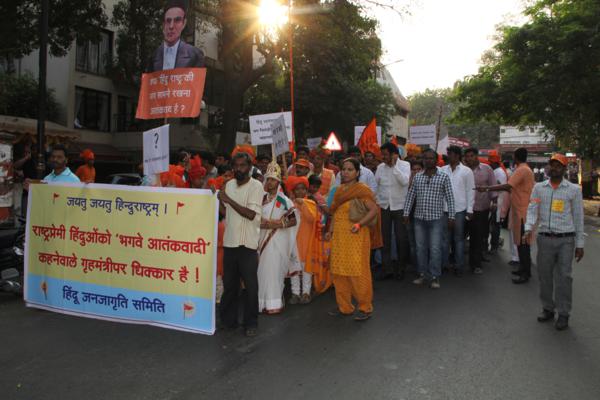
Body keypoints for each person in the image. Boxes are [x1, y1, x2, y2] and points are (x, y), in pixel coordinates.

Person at [524, 154, 584, 330]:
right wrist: (528, 228)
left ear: (564, 169)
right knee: (545, 276)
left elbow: (578, 218)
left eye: (559, 166)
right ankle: (548, 308)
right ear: (548, 168)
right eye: (552, 165)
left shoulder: (574, 190)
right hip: (544, 238)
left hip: (566, 240)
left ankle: (564, 313)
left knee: (564, 277)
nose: (554, 168)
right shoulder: (539, 188)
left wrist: (579, 244)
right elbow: (532, 209)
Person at [326, 158, 381, 321]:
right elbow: (335, 212)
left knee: (357, 270)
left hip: (356, 234)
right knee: (338, 270)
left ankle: (365, 307)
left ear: (357, 173)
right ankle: (345, 306)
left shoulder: (362, 190)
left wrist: (359, 224)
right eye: (343, 169)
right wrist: (330, 230)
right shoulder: (338, 191)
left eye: (350, 169)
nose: (345, 172)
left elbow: (373, 211)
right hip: (340, 236)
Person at [217, 152, 264, 337]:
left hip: (247, 244)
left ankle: (251, 323)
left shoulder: (256, 186)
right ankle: (229, 321)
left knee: (250, 286)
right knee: (230, 285)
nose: (238, 169)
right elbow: (226, 212)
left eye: (242, 165)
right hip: (230, 243)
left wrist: (228, 200)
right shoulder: (229, 184)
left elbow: (251, 214)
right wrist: (219, 200)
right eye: (235, 166)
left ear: (250, 167)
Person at [480, 148, 535, 284]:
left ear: (516, 158)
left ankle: (525, 273)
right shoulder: (525, 169)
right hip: (520, 209)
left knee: (523, 243)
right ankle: (523, 269)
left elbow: (507, 186)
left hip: (522, 210)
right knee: (522, 243)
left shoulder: (522, 170)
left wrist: (487, 188)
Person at [403, 149, 455, 289]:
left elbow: (450, 198)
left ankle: (434, 276)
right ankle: (422, 274)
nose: (428, 161)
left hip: (436, 219)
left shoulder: (443, 177)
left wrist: (451, 216)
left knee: (435, 248)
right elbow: (410, 196)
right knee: (420, 248)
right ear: (423, 160)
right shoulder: (418, 177)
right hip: (419, 218)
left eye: (431, 158)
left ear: (436, 160)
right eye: (426, 158)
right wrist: (406, 213)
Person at [257, 162, 296, 314]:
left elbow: (293, 220)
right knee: (262, 272)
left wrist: (274, 223)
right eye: (268, 179)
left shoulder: (282, 200)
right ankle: (262, 302)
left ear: (278, 182)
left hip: (276, 240)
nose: (269, 182)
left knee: (273, 271)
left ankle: (273, 303)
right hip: (261, 238)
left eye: (273, 179)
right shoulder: (261, 199)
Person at [374, 142, 410, 280]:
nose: (383, 157)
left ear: (394, 154)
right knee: (385, 239)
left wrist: (394, 166)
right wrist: (377, 201)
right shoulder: (380, 167)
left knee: (401, 238)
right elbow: (376, 186)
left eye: (386, 154)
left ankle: (401, 268)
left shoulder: (405, 165)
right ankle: (386, 268)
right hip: (384, 207)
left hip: (400, 207)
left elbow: (405, 182)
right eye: (382, 154)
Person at [287, 176, 324, 304]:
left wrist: (302, 204)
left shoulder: (311, 203)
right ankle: (295, 293)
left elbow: (311, 218)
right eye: (297, 189)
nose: (300, 191)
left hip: (307, 242)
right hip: (293, 242)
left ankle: (306, 292)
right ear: (293, 192)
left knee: (307, 268)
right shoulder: (289, 204)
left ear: (307, 191)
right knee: (294, 268)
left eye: (303, 189)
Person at [441, 146, 475, 277]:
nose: (447, 156)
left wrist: (470, 209)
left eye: (449, 154)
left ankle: (459, 266)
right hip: (444, 210)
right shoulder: (442, 170)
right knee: (444, 239)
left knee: (459, 239)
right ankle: (444, 265)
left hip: (460, 210)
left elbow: (470, 191)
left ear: (456, 156)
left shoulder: (466, 171)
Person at [464, 147, 497, 275]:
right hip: (465, 209)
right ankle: (457, 262)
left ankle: (475, 264)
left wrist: (494, 202)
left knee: (477, 237)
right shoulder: (463, 170)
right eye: (467, 156)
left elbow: (493, 186)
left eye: (471, 156)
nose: (469, 158)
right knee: (460, 236)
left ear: (476, 156)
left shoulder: (487, 169)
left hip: (481, 209)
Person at [148, 1, 205, 72]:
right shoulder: (154, 56)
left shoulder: (195, 55)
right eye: (168, 21)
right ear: (163, 25)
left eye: (177, 20)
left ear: (184, 24)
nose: (171, 26)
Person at [488, 151, 508, 253]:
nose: (489, 164)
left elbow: (500, 187)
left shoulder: (500, 172)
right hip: (493, 202)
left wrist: (488, 187)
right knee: (491, 225)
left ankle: (494, 246)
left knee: (495, 226)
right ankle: (493, 244)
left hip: (498, 202)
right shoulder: (495, 171)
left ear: (495, 162)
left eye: (491, 162)